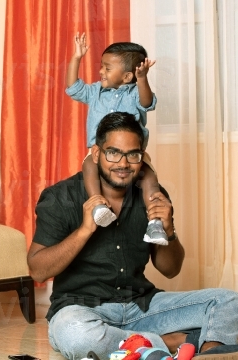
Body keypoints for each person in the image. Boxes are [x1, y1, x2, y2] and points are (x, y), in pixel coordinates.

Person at [27, 112, 238, 360]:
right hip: (81, 309)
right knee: (78, 337)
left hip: (143, 306)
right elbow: (38, 270)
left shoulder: (152, 195)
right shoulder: (61, 197)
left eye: (133, 155)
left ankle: (210, 354)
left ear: (143, 156)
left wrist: (169, 231)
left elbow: (170, 269)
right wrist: (84, 230)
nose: (123, 163)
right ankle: (182, 342)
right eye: (113, 153)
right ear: (96, 153)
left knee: (231, 302)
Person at [66, 32, 168, 246]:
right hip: (99, 151)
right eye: (102, 66)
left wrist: (143, 79)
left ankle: (155, 222)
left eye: (107, 68)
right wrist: (77, 57)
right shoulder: (95, 92)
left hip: (132, 154)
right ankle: (98, 207)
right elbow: (73, 88)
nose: (101, 71)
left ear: (127, 76)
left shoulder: (134, 93)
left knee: (149, 177)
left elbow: (148, 102)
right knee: (88, 167)